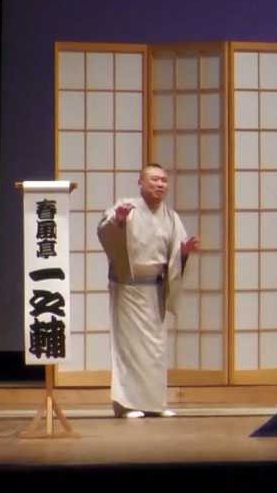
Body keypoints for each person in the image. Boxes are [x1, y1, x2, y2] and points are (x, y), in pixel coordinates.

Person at [96, 163, 199, 418]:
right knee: (129, 350)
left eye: (164, 180)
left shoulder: (171, 217)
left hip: (155, 290)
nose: (160, 184)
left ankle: (155, 404)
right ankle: (126, 404)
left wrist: (183, 254)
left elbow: (176, 254)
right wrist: (118, 222)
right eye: (154, 179)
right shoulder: (126, 208)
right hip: (128, 288)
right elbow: (105, 231)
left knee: (155, 350)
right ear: (140, 183)